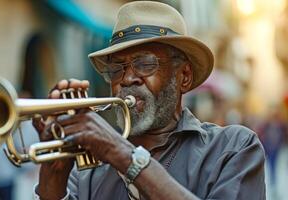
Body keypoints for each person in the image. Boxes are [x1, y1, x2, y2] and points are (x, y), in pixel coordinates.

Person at [32, 1, 266, 200]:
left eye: (145, 64)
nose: (127, 79)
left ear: (183, 77)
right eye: (116, 69)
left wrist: (123, 155)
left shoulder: (233, 147)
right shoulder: (89, 170)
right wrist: (53, 179)